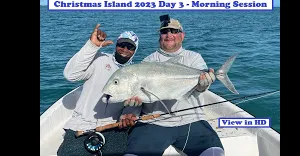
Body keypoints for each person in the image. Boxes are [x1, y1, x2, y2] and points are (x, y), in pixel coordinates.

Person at [122, 15, 225, 156]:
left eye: (174, 31)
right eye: (164, 31)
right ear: (159, 36)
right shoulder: (148, 61)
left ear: (182, 35)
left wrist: (202, 85)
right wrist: (131, 108)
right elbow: (138, 95)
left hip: (191, 120)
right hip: (154, 122)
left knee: (215, 153)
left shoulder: (194, 58)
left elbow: (200, 89)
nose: (169, 34)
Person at [57, 24, 142, 156]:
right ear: (116, 45)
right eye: (121, 45)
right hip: (82, 124)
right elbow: (70, 75)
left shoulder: (136, 72)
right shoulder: (100, 59)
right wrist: (92, 46)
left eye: (130, 47)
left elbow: (136, 101)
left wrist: (129, 113)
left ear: (135, 51)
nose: (125, 49)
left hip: (115, 127)